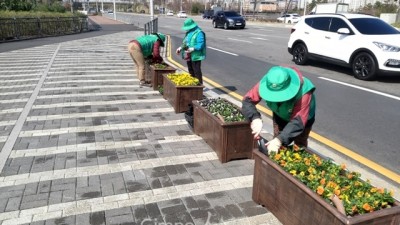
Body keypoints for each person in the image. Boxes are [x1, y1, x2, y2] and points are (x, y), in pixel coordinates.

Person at [242, 66, 316, 155]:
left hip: (302, 119)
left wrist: (279, 140)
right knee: (276, 143)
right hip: (280, 114)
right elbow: (247, 100)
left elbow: (298, 122)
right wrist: (255, 118)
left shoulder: (304, 92)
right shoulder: (267, 82)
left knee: (299, 146)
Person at [176, 18, 206, 84]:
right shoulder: (188, 33)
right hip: (189, 55)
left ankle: (199, 86)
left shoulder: (199, 33)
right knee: (190, 70)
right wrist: (180, 48)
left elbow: (201, 44)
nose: (187, 29)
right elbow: (185, 42)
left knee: (197, 71)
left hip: (196, 55)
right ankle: (192, 84)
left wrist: (193, 48)